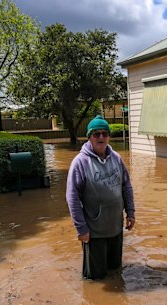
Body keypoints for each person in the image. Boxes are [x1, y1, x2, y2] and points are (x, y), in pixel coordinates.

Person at [66, 115, 135, 280]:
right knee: (95, 280)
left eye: (105, 133)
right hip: (94, 233)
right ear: (89, 137)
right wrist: (81, 229)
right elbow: (72, 198)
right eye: (96, 134)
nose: (101, 137)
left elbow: (126, 186)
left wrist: (130, 212)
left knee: (115, 271)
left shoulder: (116, 158)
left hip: (115, 228)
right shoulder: (80, 163)